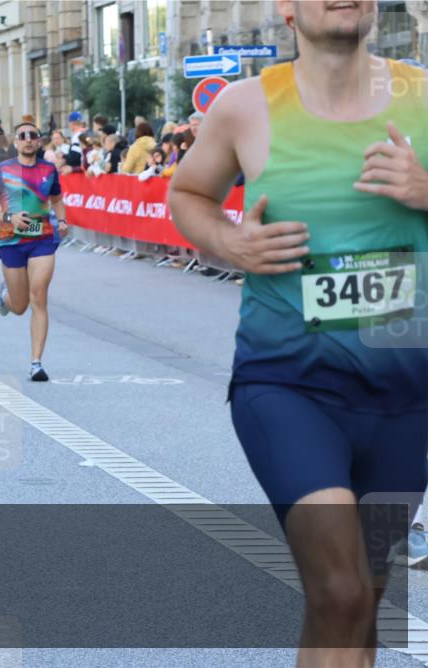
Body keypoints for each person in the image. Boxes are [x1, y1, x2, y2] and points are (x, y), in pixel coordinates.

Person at [168, 2, 428, 664]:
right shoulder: (245, 107)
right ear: (285, 7)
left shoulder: (424, 96)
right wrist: (232, 242)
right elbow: (188, 195)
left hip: (407, 398)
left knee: (359, 604)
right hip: (289, 385)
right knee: (341, 592)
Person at [0, 121, 67, 382]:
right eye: (23, 135)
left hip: (42, 239)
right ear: (16, 142)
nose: (28, 139)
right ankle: (6, 297)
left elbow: (57, 199)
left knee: (39, 296)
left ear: (39, 141)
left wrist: (62, 220)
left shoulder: (49, 169)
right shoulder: (2, 170)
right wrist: (9, 217)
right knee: (19, 306)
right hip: (11, 241)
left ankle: (36, 363)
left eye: (33, 135)